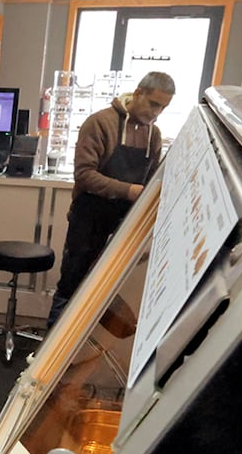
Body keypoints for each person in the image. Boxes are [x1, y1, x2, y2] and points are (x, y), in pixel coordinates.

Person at [47, 72, 176, 326]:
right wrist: (129, 190)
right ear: (138, 93)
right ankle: (46, 353)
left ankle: (86, 350)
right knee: (72, 284)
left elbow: (151, 182)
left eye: (163, 107)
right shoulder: (99, 123)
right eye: (153, 104)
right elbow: (84, 175)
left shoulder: (155, 135)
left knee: (109, 291)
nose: (156, 113)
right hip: (88, 219)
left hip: (126, 223)